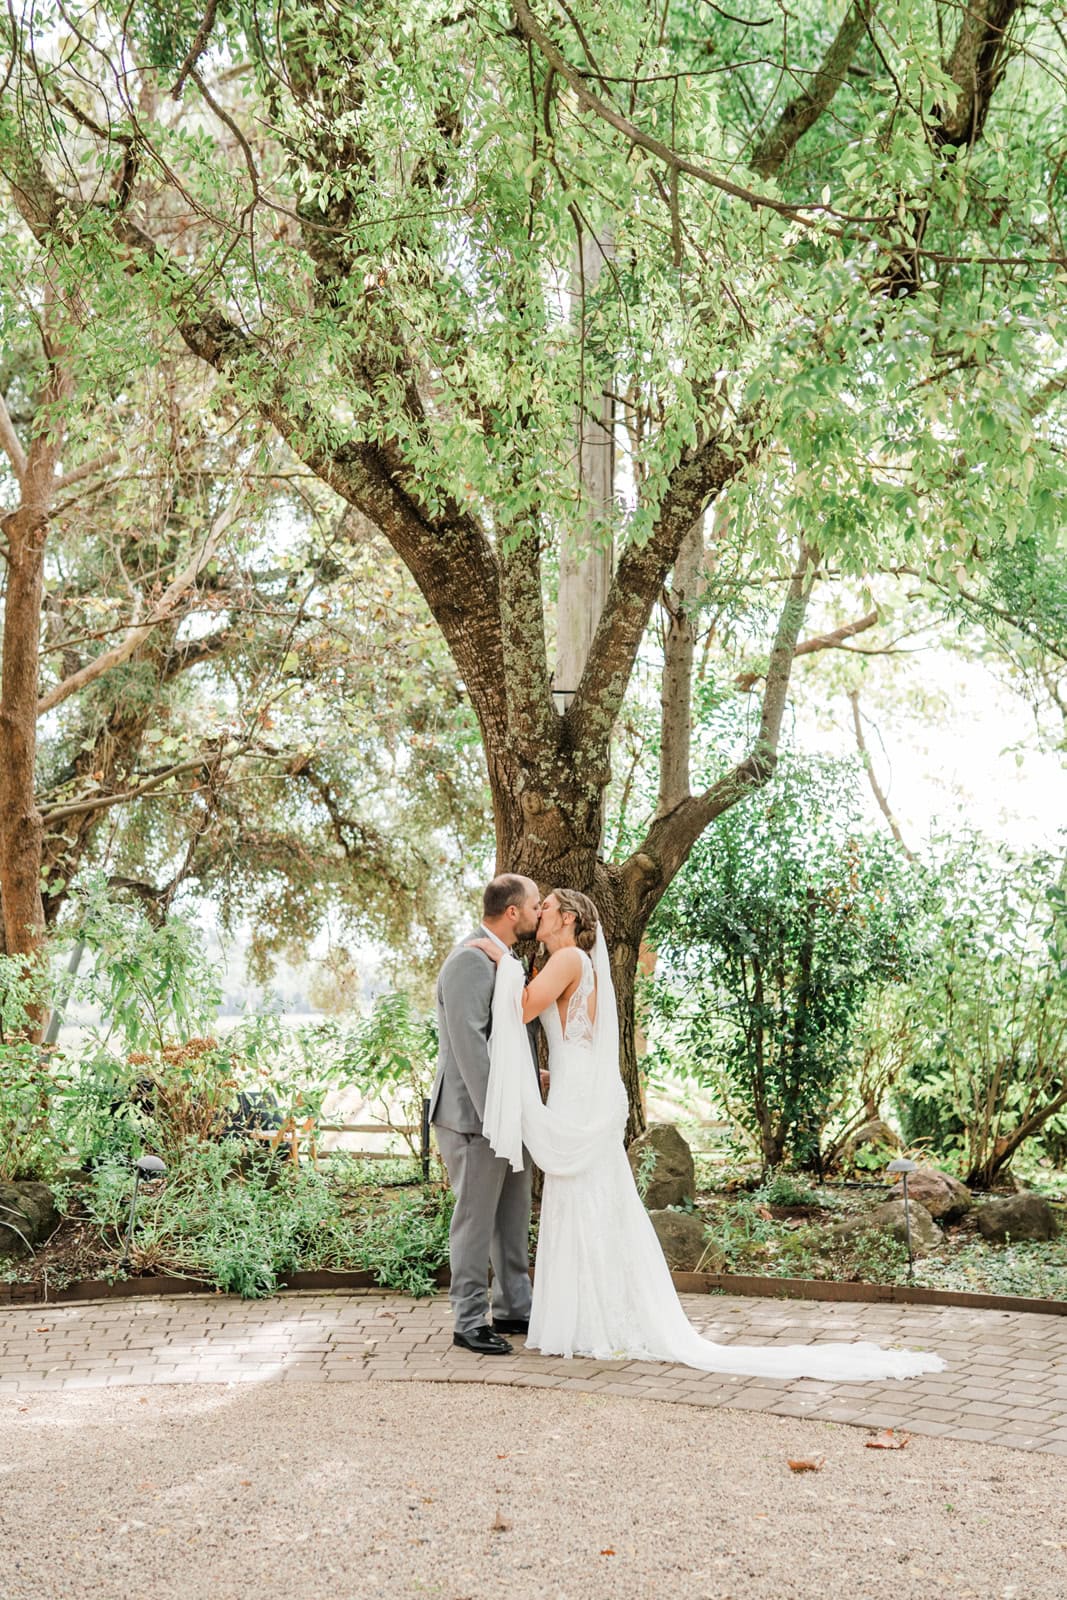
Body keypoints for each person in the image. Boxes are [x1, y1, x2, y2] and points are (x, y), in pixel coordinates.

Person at [471, 888, 945, 1382]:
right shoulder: (578, 961)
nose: (538, 912)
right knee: (594, 1199)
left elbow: (523, 1007)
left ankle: (590, 1322)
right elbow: (577, 1038)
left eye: (545, 906)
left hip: (580, 1099)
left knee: (583, 1198)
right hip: (577, 1088)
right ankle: (593, 1318)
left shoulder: (568, 957)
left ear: (566, 917)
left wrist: (500, 958)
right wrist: (553, 1075)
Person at [429, 873, 542, 1356]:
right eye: (535, 905)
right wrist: (493, 1115)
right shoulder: (469, 961)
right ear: (513, 911)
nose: (540, 912)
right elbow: (469, 1045)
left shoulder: (502, 958)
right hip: (474, 1117)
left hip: (508, 1113)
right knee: (475, 1220)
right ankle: (469, 1319)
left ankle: (515, 1305)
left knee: (513, 1215)